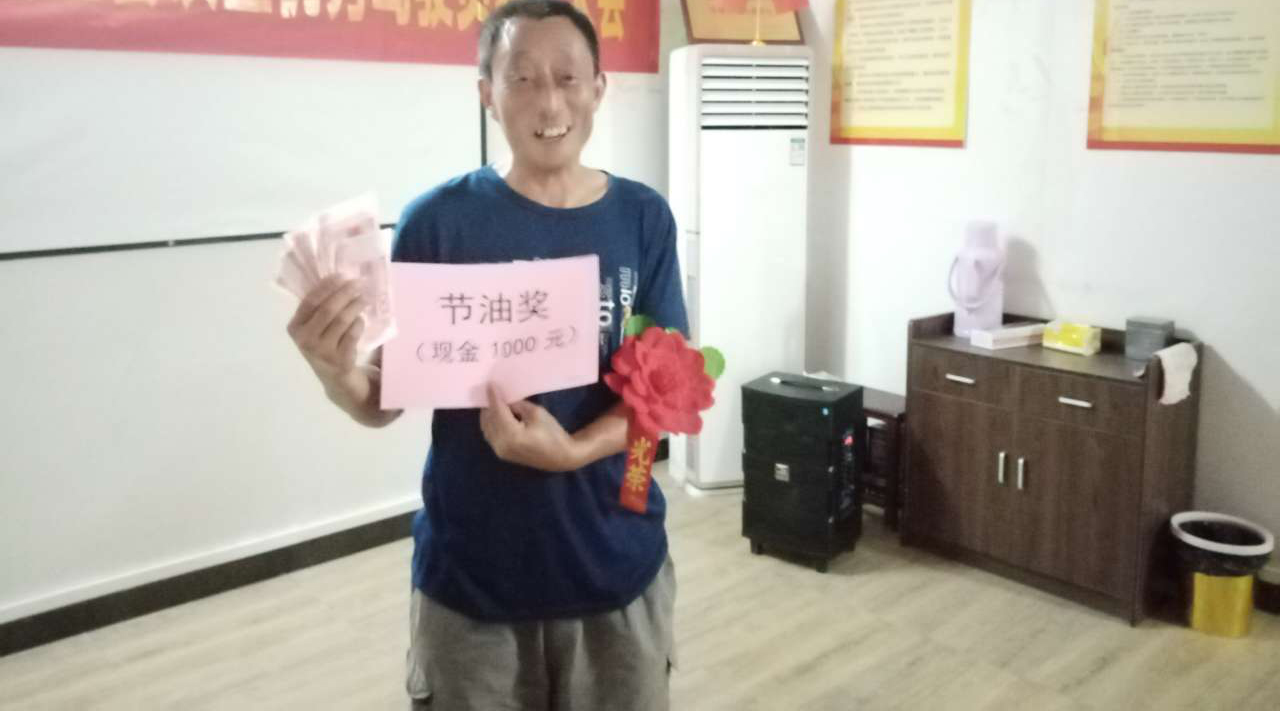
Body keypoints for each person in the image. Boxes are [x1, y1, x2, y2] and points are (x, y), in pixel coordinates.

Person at [285, 2, 688, 708]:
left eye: (568, 77)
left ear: (599, 88)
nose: (549, 102)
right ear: (486, 93)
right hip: (472, 587)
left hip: (617, 568)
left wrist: (573, 451)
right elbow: (386, 397)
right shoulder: (438, 223)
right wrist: (335, 371)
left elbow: (668, 391)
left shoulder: (642, 218)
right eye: (522, 78)